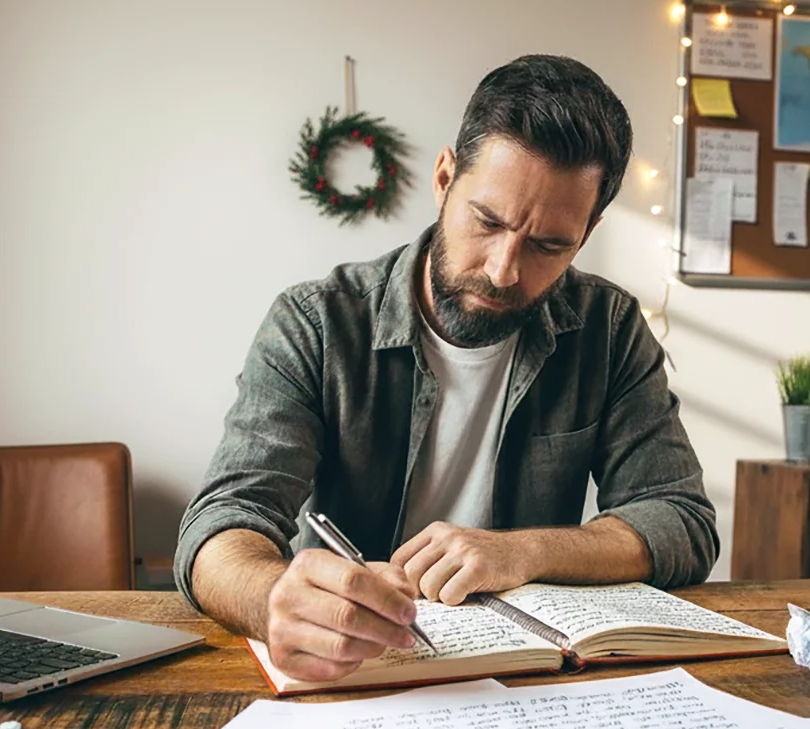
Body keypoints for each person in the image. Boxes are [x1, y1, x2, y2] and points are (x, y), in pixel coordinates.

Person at [175, 54, 717, 683]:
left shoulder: (610, 328)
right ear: (444, 179)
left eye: (548, 246)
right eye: (487, 221)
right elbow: (221, 525)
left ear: (587, 233)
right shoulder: (316, 323)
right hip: (353, 676)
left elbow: (682, 520)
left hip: (535, 680)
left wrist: (523, 551)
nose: (503, 270)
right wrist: (274, 600)